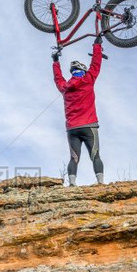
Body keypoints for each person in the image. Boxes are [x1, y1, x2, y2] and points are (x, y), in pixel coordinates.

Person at [52, 33, 105, 186]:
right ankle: (100, 183)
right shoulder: (88, 80)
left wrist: (55, 61)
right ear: (82, 71)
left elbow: (58, 78)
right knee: (95, 155)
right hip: (89, 126)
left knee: (74, 158)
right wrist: (97, 46)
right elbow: (96, 64)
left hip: (72, 129)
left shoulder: (65, 87)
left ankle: (72, 184)